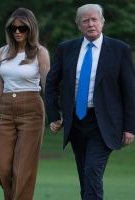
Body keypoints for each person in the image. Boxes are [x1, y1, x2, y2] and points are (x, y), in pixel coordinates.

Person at [45, 4, 135, 200]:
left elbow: (130, 91)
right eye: (85, 20)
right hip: (76, 122)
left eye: (95, 19)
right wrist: (53, 115)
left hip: (105, 123)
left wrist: (130, 127)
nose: (91, 24)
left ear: (102, 22)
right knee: (85, 175)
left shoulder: (120, 49)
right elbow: (51, 83)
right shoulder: (66, 49)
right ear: (79, 25)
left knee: (92, 170)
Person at [0, 7, 50, 200]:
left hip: (32, 110)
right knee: (2, 167)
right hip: (5, 110)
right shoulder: (2, 52)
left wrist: (56, 114)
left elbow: (47, 85)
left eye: (23, 28)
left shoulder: (40, 52)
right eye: (13, 28)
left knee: (22, 169)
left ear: (31, 29)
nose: (18, 32)